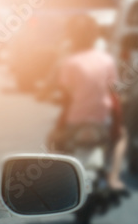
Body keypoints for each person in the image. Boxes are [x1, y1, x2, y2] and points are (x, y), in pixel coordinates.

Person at [48, 14, 129, 194]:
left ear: (71, 36)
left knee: (53, 141)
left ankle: (57, 180)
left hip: (75, 122)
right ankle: (114, 178)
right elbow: (114, 91)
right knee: (122, 137)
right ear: (94, 36)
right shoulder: (106, 60)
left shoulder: (69, 63)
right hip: (102, 122)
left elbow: (65, 96)